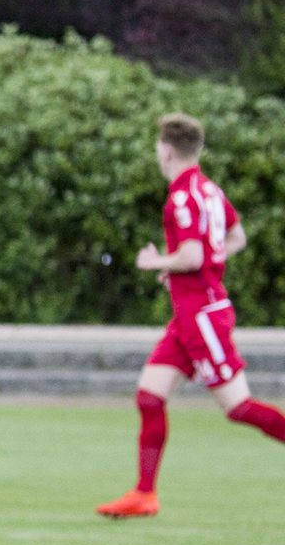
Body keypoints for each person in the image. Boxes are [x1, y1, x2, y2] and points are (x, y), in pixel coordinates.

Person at [97, 113, 285, 518]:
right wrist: (189, 264)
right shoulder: (210, 191)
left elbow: (194, 255)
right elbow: (236, 238)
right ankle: (145, 495)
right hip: (189, 314)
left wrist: (156, 261)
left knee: (238, 407)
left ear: (166, 151)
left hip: (202, 315)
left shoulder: (181, 198)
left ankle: (145, 493)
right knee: (149, 396)